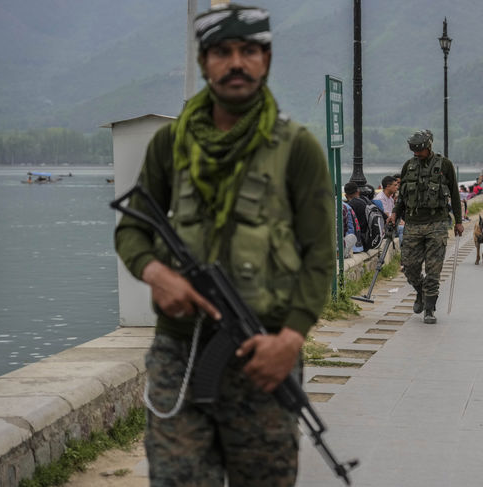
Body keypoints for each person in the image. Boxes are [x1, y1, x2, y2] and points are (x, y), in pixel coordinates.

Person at [114, 5, 335, 485]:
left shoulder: (297, 148)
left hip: (266, 353)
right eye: (222, 52)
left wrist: (292, 338)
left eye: (249, 50)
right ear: (203, 61)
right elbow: (131, 230)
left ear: (267, 59)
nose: (236, 62)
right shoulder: (169, 145)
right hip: (182, 351)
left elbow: (320, 256)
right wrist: (156, 272)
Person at [387, 129, 463, 324]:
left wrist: (459, 221)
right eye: (414, 151)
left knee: (433, 269)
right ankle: (420, 291)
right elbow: (402, 196)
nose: (416, 154)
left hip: (437, 223)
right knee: (409, 267)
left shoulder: (444, 165)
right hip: (412, 223)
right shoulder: (408, 166)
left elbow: (454, 194)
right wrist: (395, 212)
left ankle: (429, 308)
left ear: (428, 147)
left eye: (419, 151)